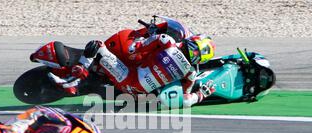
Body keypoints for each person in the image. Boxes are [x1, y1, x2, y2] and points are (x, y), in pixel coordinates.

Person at [71, 33, 217, 107]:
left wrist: (143, 38)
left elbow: (133, 49)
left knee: (98, 45)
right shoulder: (190, 74)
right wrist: (200, 95)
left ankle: (79, 72)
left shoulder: (166, 41)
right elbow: (185, 98)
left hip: (127, 78)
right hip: (139, 96)